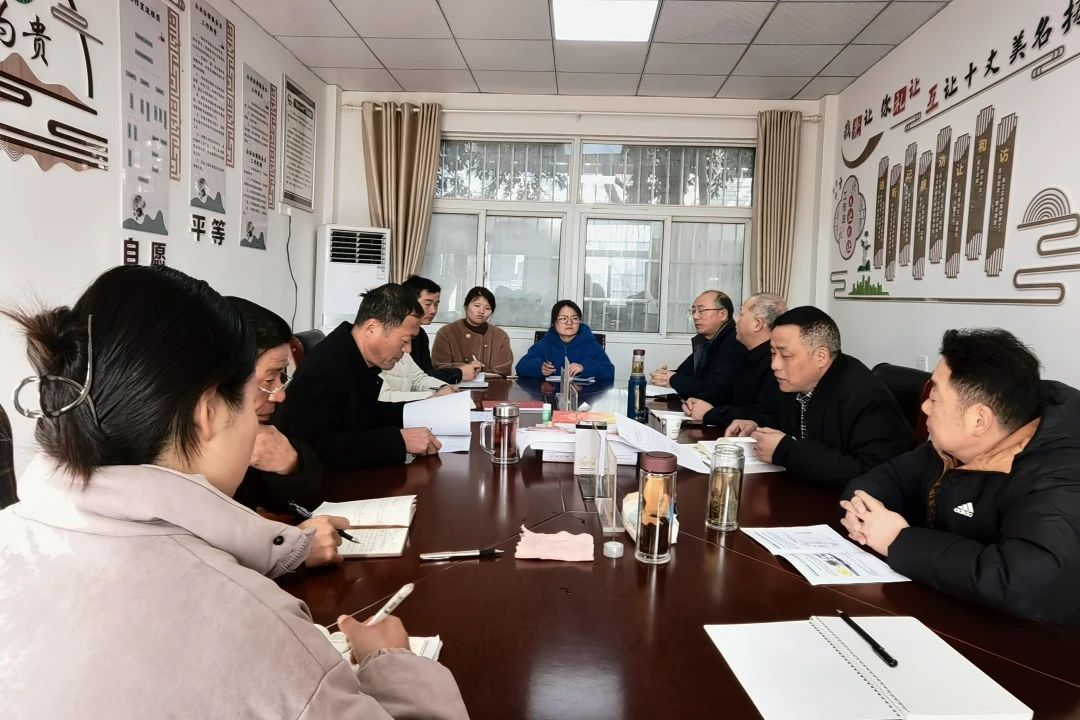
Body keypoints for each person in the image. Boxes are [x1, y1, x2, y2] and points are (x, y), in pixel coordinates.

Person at [0, 265, 468, 718]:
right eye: (256, 391)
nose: (277, 398)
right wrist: (392, 661)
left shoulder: (18, 532)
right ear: (207, 412)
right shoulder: (247, 619)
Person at [841, 329, 1080, 626]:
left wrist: (898, 540)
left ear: (979, 420)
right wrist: (863, 510)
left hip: (1035, 642)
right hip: (953, 606)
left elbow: (1025, 583)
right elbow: (889, 476)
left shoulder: (1061, 475)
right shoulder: (955, 444)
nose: (924, 406)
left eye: (935, 397)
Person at [725, 306, 912, 488]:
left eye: (785, 355)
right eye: (773, 353)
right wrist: (756, 425)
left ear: (821, 357)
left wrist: (786, 452)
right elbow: (796, 424)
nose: (775, 365)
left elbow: (874, 472)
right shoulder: (796, 382)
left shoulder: (864, 396)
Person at [274, 284, 442, 470]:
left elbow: (365, 413)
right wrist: (399, 441)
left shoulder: (354, 355)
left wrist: (420, 412)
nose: (408, 349)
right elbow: (316, 448)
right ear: (372, 328)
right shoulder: (326, 367)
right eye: (405, 340)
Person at [682, 293, 786, 429]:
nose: (736, 320)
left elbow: (761, 413)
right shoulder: (748, 355)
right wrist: (700, 402)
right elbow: (728, 396)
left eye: (741, 314)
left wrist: (710, 413)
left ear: (757, 324)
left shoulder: (774, 364)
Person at [650, 290, 746, 403]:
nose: (695, 316)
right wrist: (663, 376)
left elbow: (715, 390)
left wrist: (672, 378)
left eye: (701, 310)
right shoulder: (705, 341)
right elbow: (685, 373)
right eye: (693, 311)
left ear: (723, 314)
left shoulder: (736, 342)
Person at [402, 274, 478, 383]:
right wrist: (459, 373)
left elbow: (425, 374)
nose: (433, 310)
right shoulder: (396, 332)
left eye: (436, 304)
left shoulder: (421, 334)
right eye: (428, 304)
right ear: (409, 302)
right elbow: (411, 378)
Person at [516, 300, 615, 382]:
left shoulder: (591, 345)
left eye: (575, 318)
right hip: (549, 395)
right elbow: (520, 367)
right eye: (563, 318)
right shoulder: (544, 344)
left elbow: (610, 371)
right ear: (554, 322)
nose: (569, 323)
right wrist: (539, 367)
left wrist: (585, 368)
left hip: (582, 396)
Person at [432, 286, 513, 377]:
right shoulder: (446, 333)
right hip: (456, 384)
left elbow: (504, 370)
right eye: (477, 306)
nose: (481, 311)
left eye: (487, 308)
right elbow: (439, 366)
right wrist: (465, 368)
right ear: (466, 306)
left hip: (492, 385)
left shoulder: (500, 336)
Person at [379, 353, 456, 402]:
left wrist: (442, 387)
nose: (408, 349)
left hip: (408, 412)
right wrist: (433, 395)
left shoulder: (403, 350)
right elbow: (382, 396)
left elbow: (418, 378)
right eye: (405, 340)